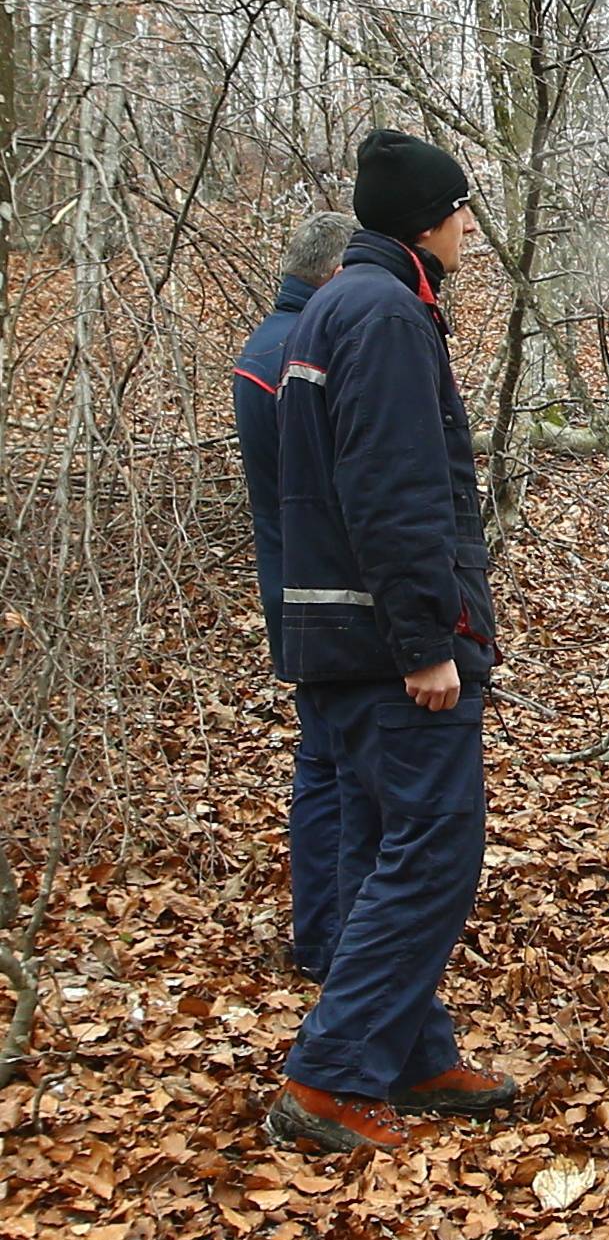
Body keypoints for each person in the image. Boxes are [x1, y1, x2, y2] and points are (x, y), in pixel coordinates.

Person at [265, 129, 520, 1158]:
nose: (469, 229)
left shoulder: (342, 307)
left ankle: (412, 1057)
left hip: (338, 638)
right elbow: (396, 493)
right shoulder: (384, 316)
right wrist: (427, 642)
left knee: (381, 851)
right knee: (433, 853)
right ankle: (329, 1081)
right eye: (461, 212)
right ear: (428, 220)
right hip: (384, 647)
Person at [234, 211, 356, 981]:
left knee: (325, 763)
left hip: (294, 591)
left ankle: (323, 939)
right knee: (343, 771)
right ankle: (336, 946)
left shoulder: (268, 346)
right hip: (331, 600)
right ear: (337, 277)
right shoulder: (307, 352)